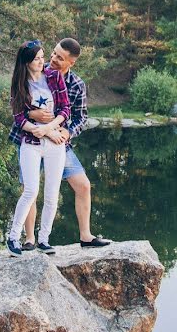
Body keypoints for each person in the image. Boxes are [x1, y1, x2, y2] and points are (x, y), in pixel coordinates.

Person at [23, 38, 111, 248]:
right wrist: (31, 112)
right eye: (53, 53)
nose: (52, 59)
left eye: (60, 58)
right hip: (33, 140)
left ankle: (86, 236)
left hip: (59, 144)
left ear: (71, 63)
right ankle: (29, 239)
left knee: (83, 186)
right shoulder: (35, 72)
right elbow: (17, 105)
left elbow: (81, 118)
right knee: (30, 190)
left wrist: (68, 132)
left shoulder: (77, 85)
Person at [6, 40, 69, 257]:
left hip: (54, 144)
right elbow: (19, 118)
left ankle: (44, 239)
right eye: (37, 58)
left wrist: (50, 129)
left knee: (52, 194)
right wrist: (38, 130)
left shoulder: (54, 77)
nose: (43, 61)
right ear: (26, 62)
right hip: (30, 144)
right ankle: (13, 237)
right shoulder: (20, 84)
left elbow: (65, 110)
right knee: (31, 190)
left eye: (43, 56)